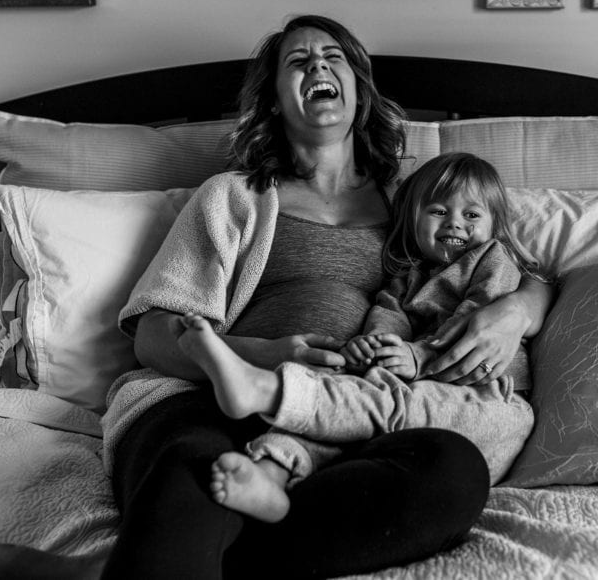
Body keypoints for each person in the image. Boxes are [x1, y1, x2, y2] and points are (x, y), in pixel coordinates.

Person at [0, 14, 553, 579]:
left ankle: (100, 572)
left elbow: (522, 266)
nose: (317, 67)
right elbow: (155, 334)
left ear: (360, 89)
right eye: (298, 61)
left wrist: (515, 312)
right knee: (200, 465)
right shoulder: (234, 197)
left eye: (332, 56)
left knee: (453, 471)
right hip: (213, 398)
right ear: (273, 100)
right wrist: (258, 354)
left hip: (363, 412)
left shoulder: (426, 197)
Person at [180, 152, 542, 523]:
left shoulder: (492, 257)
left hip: (490, 403)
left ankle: (268, 391)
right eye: (438, 211)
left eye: (471, 215)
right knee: (348, 415)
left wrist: (418, 356)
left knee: (377, 404)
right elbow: (388, 317)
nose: (455, 223)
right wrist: (373, 347)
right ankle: (271, 472)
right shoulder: (408, 277)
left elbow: (476, 316)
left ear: (495, 224)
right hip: (413, 398)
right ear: (411, 218)